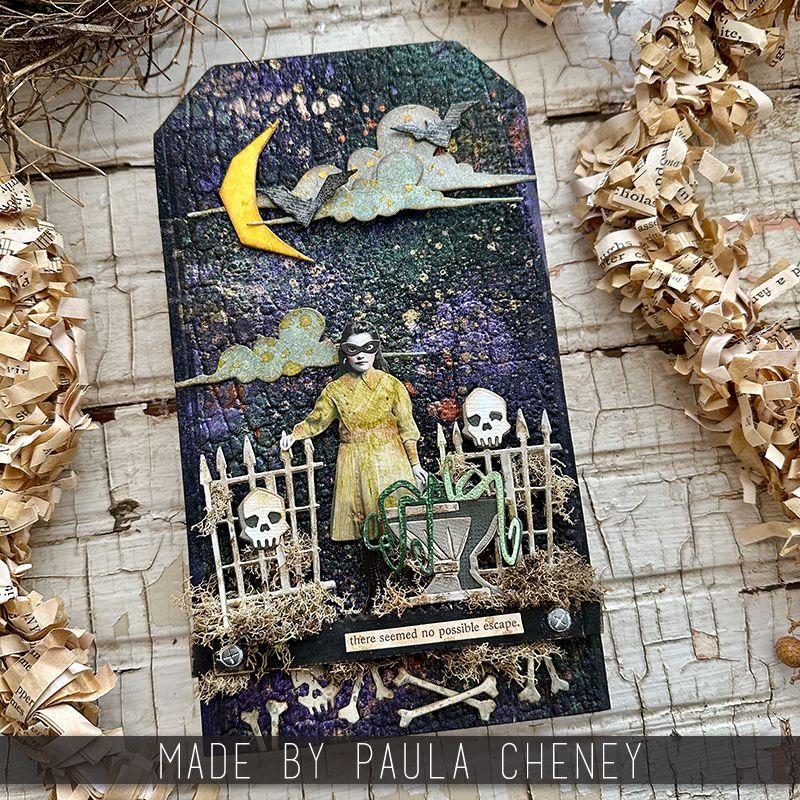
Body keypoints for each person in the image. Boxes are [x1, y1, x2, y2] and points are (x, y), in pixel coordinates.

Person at [280, 320, 428, 544]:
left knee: (398, 524)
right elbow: (318, 419)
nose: (360, 356)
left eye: (367, 348)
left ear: (376, 349)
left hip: (391, 459)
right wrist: (296, 434)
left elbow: (407, 428)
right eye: (353, 350)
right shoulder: (335, 389)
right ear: (345, 353)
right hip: (354, 462)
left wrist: (415, 464)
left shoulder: (392, 385)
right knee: (365, 529)